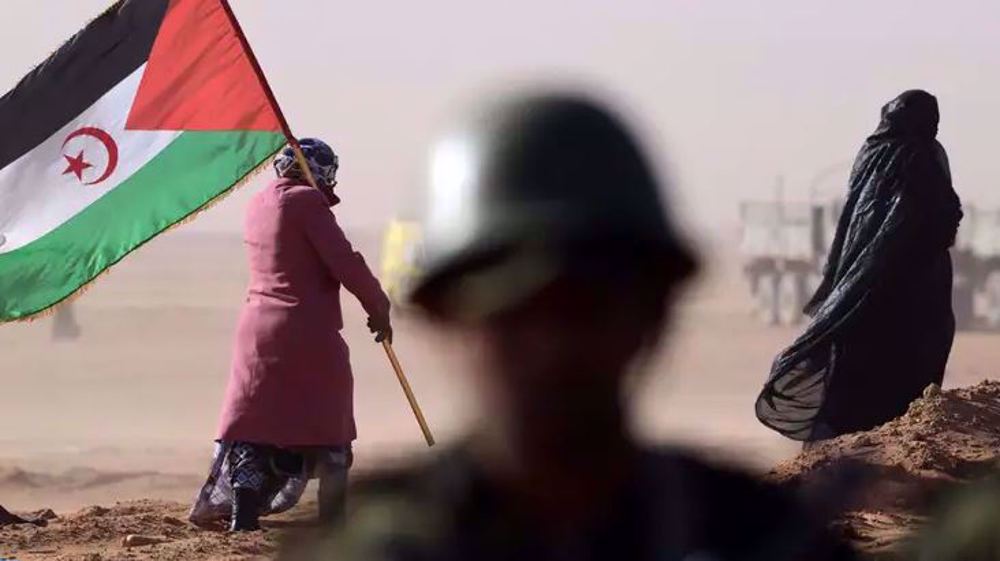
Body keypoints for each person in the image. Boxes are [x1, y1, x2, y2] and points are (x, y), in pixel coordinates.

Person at [283, 95, 855, 560]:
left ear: (653, 316)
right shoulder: (376, 544)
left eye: (587, 310)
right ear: (446, 319)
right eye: (516, 316)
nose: (554, 349)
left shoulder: (765, 539)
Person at [189, 138, 392, 531]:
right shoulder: (306, 202)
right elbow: (344, 262)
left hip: (256, 330)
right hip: (307, 330)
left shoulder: (257, 204)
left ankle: (243, 518)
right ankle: (333, 520)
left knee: (253, 425)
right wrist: (378, 308)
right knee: (330, 424)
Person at [757, 90, 962, 443]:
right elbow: (939, 217)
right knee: (893, 359)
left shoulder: (874, 153)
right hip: (901, 282)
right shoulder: (921, 156)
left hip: (872, 279)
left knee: (875, 355)